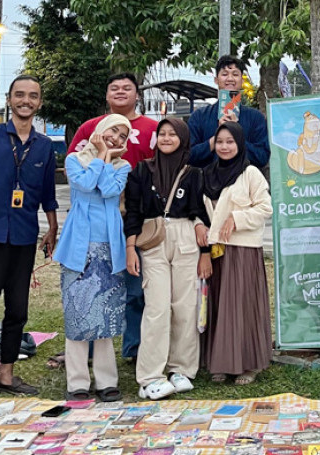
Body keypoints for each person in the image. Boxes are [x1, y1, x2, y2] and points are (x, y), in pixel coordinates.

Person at [68, 73, 158, 362]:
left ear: (137, 94)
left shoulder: (152, 128)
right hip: (94, 220)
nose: (120, 92)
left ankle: (133, 348)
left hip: (136, 218)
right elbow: (78, 174)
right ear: (106, 95)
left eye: (127, 88)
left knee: (134, 286)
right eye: (114, 88)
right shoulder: (89, 128)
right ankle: (89, 347)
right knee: (93, 283)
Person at [124, 118, 211, 400]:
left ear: (183, 139)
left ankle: (182, 369)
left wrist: (205, 249)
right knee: (157, 307)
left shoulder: (195, 173)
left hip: (186, 237)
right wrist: (130, 248)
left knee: (185, 306)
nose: (166, 138)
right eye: (162, 133)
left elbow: (202, 211)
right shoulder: (142, 170)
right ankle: (150, 376)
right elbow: (133, 211)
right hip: (152, 239)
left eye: (173, 134)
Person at [54, 114, 132, 402]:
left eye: (123, 136)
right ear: (100, 130)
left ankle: (106, 381)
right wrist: (101, 155)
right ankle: (77, 383)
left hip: (109, 248)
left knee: (106, 313)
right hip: (78, 247)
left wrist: (105, 159)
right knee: (77, 312)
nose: (117, 138)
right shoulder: (75, 160)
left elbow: (109, 190)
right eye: (114, 130)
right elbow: (85, 186)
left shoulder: (124, 166)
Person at [0, 75, 58, 395]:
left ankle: (5, 374)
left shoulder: (44, 146)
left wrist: (52, 228)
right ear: (9, 99)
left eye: (32, 96)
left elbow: (48, 193)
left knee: (18, 309)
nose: (26, 101)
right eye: (19, 95)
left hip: (23, 237)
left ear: (39, 103)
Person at [201, 122, 273, 385]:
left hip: (243, 250)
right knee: (219, 305)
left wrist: (238, 217)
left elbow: (266, 208)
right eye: (220, 141)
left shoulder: (251, 173)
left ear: (240, 144)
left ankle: (248, 363)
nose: (224, 146)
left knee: (242, 306)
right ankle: (221, 361)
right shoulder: (207, 173)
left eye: (230, 141)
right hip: (217, 249)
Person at [188, 55, 270, 170]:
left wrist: (236, 135)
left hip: (244, 185)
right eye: (224, 74)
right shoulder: (199, 116)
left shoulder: (256, 117)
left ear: (241, 81)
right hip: (206, 185)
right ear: (216, 80)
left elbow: (262, 158)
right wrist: (217, 138)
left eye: (235, 74)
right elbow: (189, 156)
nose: (230, 79)